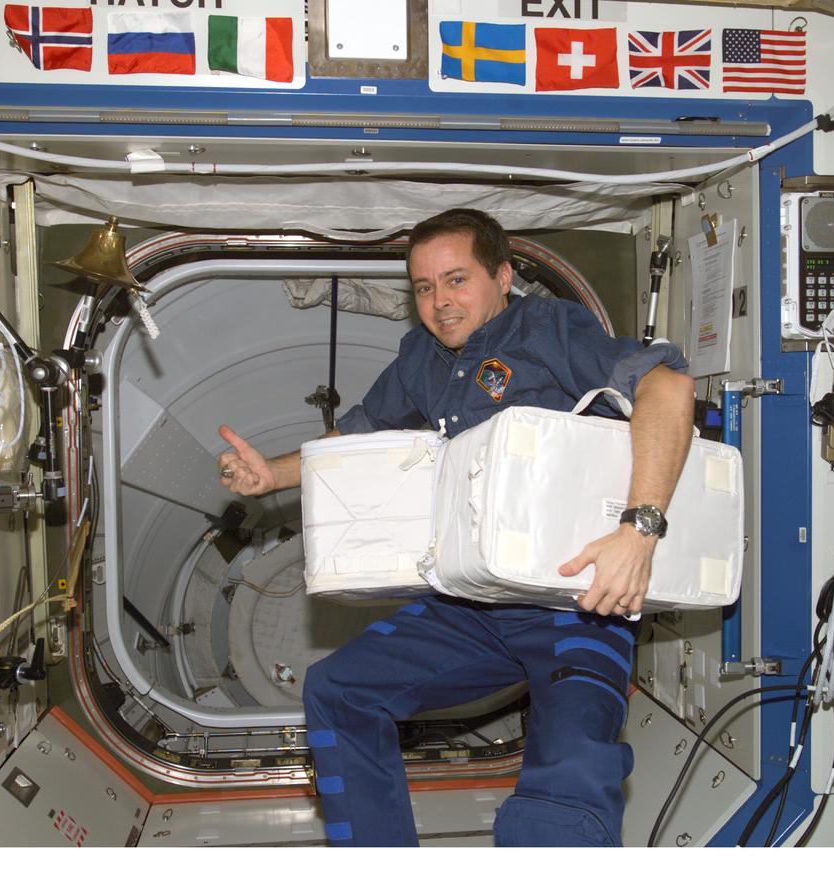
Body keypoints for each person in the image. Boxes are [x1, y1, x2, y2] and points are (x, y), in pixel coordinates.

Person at [216, 209, 695, 846]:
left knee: (574, 763)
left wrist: (639, 530)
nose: (439, 302)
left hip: (574, 605)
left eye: (457, 280)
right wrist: (270, 476)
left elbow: (669, 386)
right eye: (423, 287)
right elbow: (357, 434)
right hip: (471, 605)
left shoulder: (547, 327)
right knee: (339, 690)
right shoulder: (422, 357)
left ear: (502, 276)